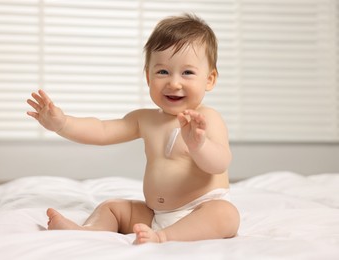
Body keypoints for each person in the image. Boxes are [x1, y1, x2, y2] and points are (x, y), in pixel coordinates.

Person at [27, 13, 239, 244]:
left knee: (226, 215)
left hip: (199, 210)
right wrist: (62, 123)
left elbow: (220, 163)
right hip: (156, 214)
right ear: (148, 77)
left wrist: (200, 145)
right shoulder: (145, 119)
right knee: (112, 207)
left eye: (187, 72)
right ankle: (88, 231)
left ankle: (163, 237)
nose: (174, 82)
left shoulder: (207, 119)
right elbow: (102, 130)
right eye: (163, 72)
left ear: (209, 79)